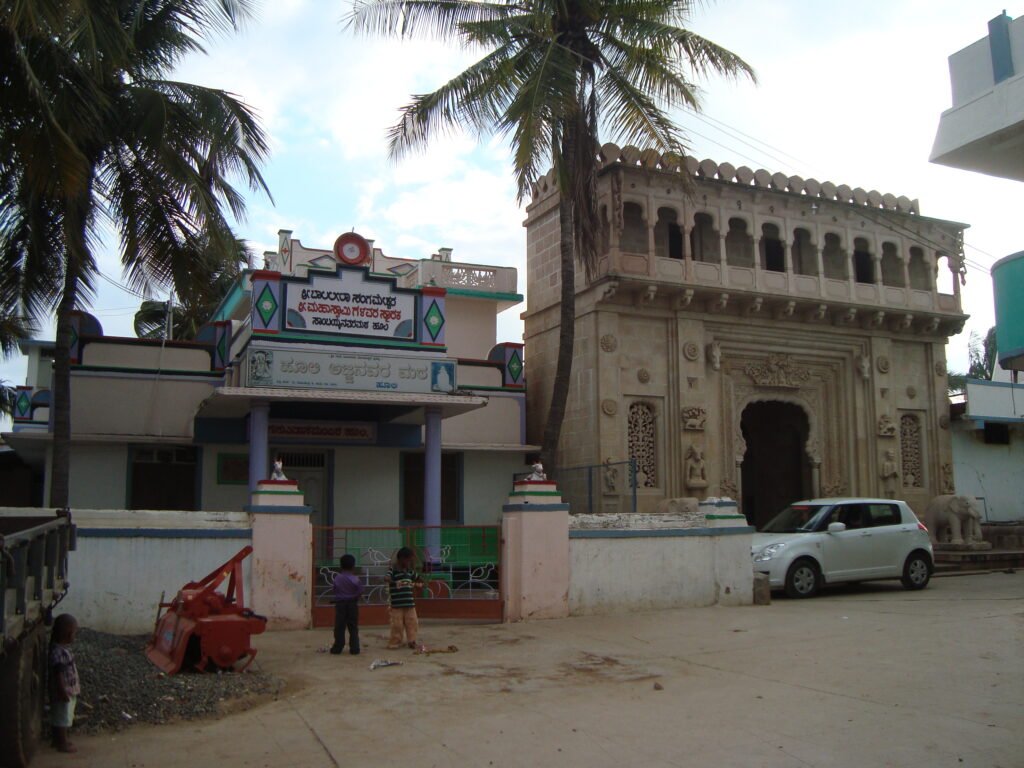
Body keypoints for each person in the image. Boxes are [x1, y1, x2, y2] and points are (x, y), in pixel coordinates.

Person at [49, 613, 81, 754]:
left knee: (63, 716)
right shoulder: (58, 653)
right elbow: (58, 674)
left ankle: (58, 740)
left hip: (67, 690)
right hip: (63, 691)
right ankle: (62, 743)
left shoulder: (60, 650)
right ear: (68, 634)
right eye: (74, 632)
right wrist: (62, 691)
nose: (74, 636)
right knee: (62, 718)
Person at [386, 547, 423, 650]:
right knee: (397, 624)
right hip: (396, 605)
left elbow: (420, 579)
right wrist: (394, 582)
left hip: (410, 604)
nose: (409, 562)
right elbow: (386, 578)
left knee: (412, 623)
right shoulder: (393, 570)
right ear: (401, 558)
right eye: (408, 560)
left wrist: (419, 584)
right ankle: (395, 641)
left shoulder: (410, 572)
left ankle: (412, 641)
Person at [330, 554, 364, 656]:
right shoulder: (356, 579)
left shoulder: (337, 578)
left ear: (341, 566)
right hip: (352, 604)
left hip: (340, 604)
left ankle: (338, 647)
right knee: (353, 626)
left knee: (339, 626)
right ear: (353, 566)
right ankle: (355, 648)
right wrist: (354, 596)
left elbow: (335, 590)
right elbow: (360, 591)